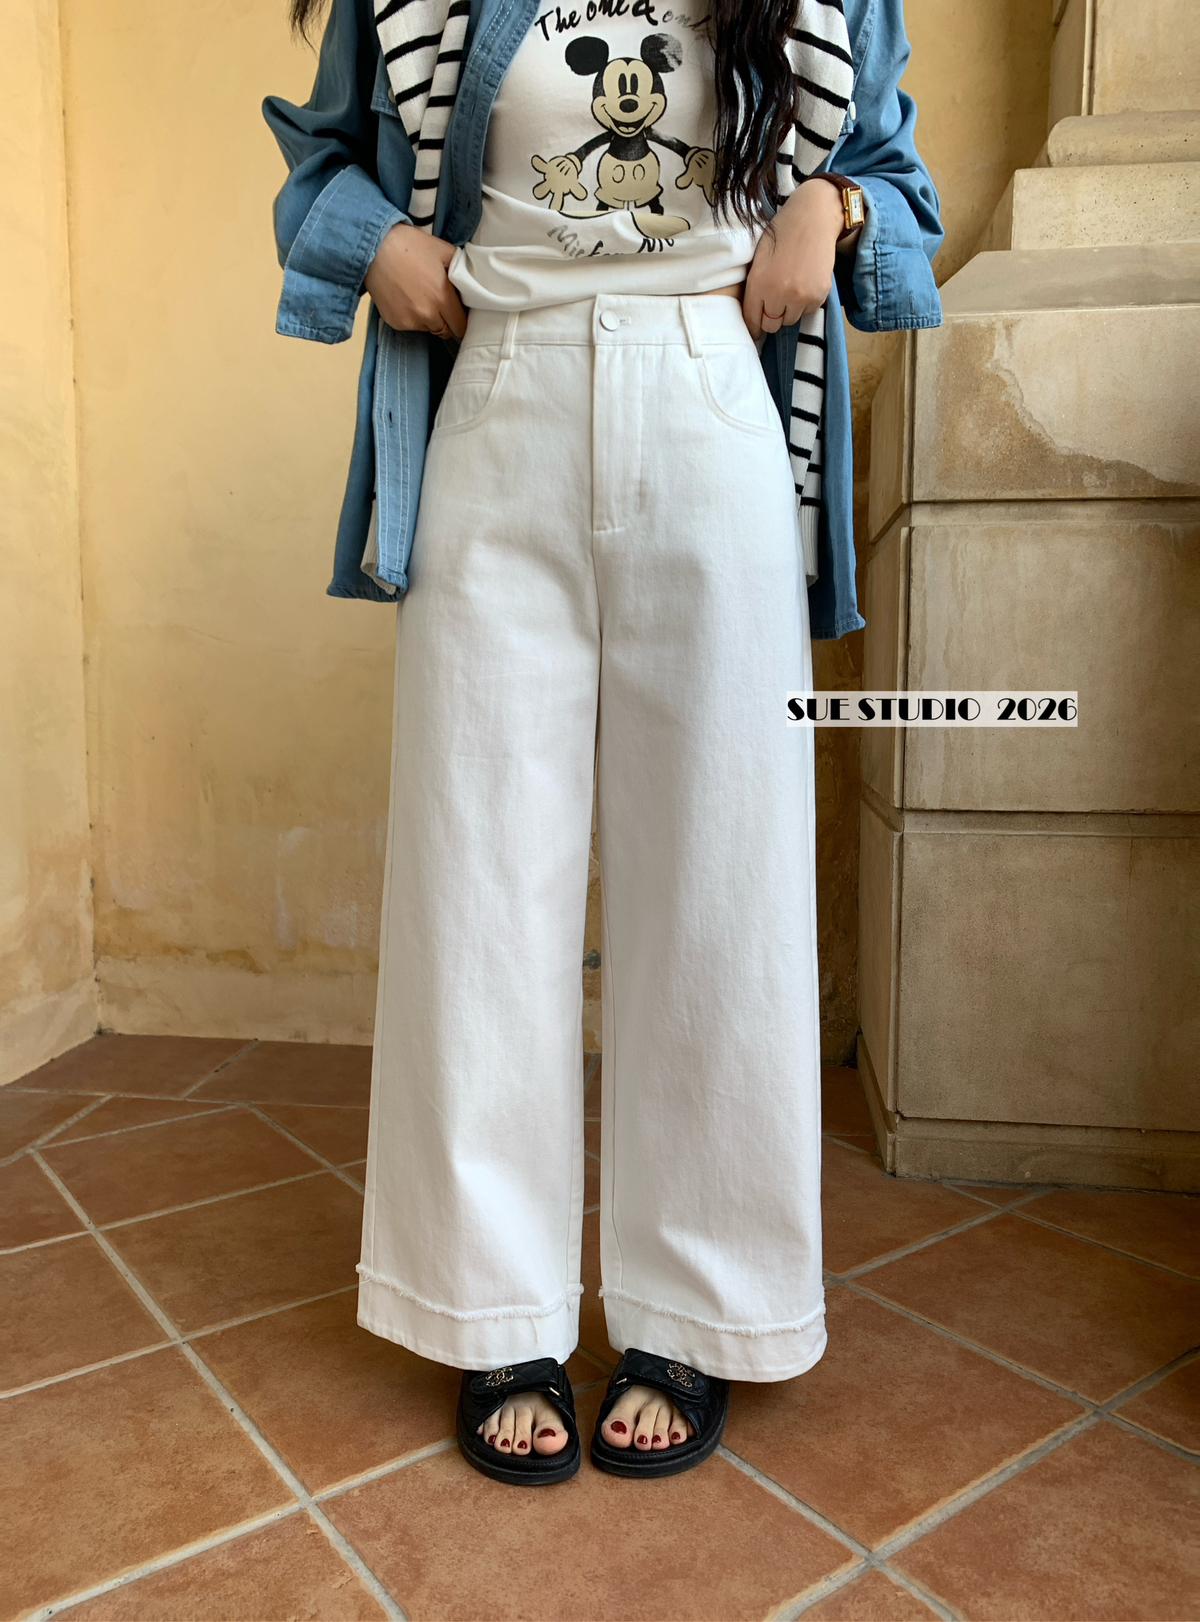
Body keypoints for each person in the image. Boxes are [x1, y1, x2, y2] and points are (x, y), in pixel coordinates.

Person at [263, 0, 943, 1486]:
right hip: (497, 395)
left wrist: (831, 208)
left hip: (714, 402)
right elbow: (322, 165)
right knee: (477, 874)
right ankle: (490, 1307)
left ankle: (697, 1307)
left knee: (720, 877)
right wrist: (379, 245)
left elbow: (896, 179)